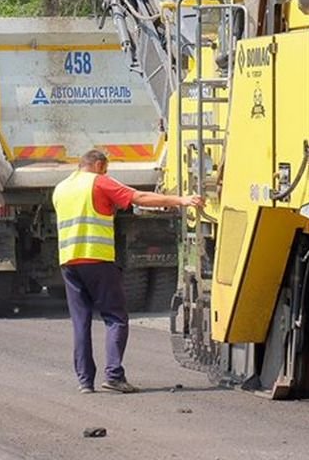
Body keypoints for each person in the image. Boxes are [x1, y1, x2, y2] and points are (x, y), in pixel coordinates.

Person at [52, 149, 203, 394]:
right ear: (98, 165)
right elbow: (139, 197)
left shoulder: (61, 188)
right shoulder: (99, 182)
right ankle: (113, 376)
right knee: (116, 317)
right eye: (106, 169)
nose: (106, 173)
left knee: (81, 322)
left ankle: (85, 382)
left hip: (69, 262)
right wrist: (181, 200)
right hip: (97, 259)